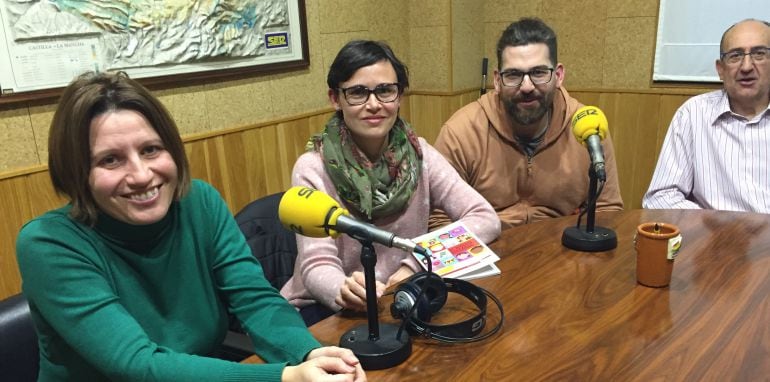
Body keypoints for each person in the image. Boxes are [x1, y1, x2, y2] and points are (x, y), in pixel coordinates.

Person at [15, 71, 365, 381]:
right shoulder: (48, 244)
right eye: (110, 159)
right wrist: (285, 378)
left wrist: (308, 354)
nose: (140, 175)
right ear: (77, 172)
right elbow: (134, 364)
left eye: (151, 150)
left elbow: (255, 300)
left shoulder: (200, 202)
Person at [279, 40, 500, 325]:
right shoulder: (313, 168)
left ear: (399, 97)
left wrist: (415, 264)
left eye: (385, 91)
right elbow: (316, 264)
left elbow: (485, 218)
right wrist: (345, 289)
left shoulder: (421, 156)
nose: (374, 105)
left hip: (403, 295)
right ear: (335, 99)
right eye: (358, 93)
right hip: (329, 308)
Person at [431, 18, 623, 230]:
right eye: (513, 74)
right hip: (487, 249)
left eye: (538, 73)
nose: (527, 86)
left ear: (558, 76)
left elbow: (607, 211)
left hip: (564, 250)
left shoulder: (588, 129)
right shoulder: (461, 132)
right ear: (497, 80)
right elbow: (439, 220)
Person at [642, 19, 770, 212]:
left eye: (759, 54)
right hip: (714, 238)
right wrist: (718, 227)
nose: (746, 66)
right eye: (735, 56)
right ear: (720, 69)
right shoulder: (693, 114)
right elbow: (660, 197)